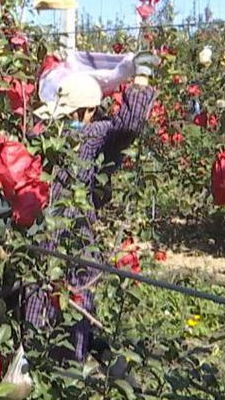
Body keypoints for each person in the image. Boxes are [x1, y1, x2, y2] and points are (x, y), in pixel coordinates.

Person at [23, 62, 157, 363]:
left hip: (44, 229)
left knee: (42, 292)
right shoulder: (91, 134)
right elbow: (128, 125)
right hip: (74, 231)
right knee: (77, 292)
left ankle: (36, 362)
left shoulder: (42, 134)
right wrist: (142, 79)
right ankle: (68, 366)